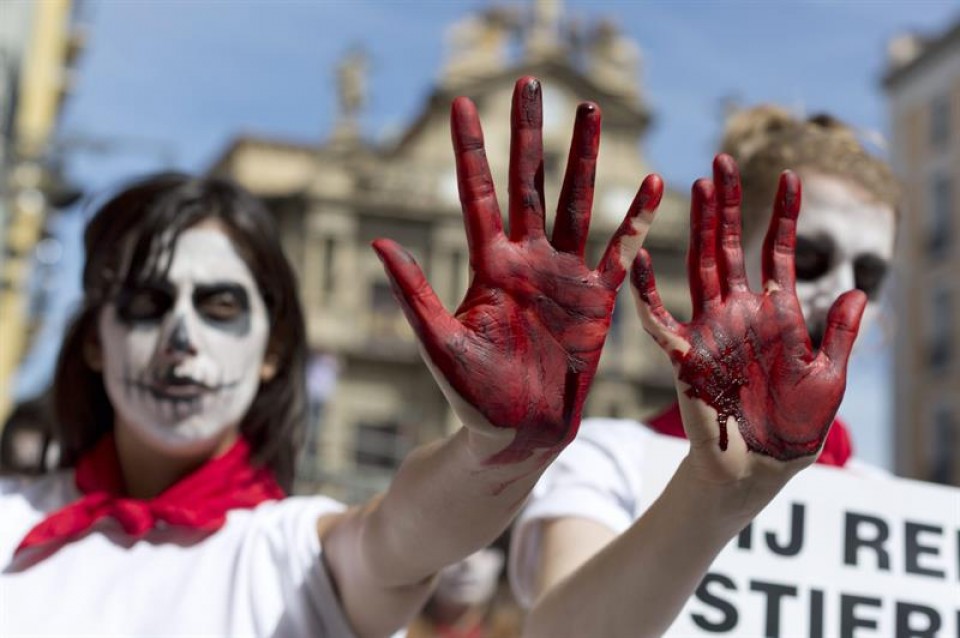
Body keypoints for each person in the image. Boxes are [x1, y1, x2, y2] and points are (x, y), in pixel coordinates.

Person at [0, 76, 665, 637]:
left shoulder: (297, 556)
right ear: (93, 339)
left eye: (221, 306)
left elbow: (404, 538)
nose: (181, 336)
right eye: (147, 303)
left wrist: (498, 447)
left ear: (273, 349)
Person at [511, 105, 896, 637]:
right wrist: (714, 496)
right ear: (722, 255)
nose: (842, 295)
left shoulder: (897, 511)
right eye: (805, 259)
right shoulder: (609, 460)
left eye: (870, 277)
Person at [406, 533, 522, 638]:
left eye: (486, 546)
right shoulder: (399, 630)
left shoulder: (524, 630)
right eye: (450, 550)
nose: (467, 562)